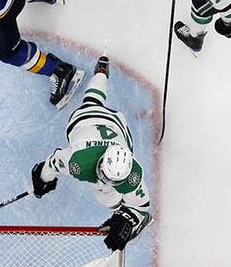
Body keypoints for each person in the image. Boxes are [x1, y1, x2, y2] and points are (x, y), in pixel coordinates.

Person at [30, 55, 153, 251]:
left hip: (115, 125)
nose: (106, 178)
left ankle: (101, 72)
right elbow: (54, 162)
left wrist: (128, 217)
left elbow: (142, 205)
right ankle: (102, 71)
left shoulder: (132, 173)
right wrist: (44, 177)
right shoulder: (79, 163)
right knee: (105, 194)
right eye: (105, 174)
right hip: (82, 120)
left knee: (93, 98)